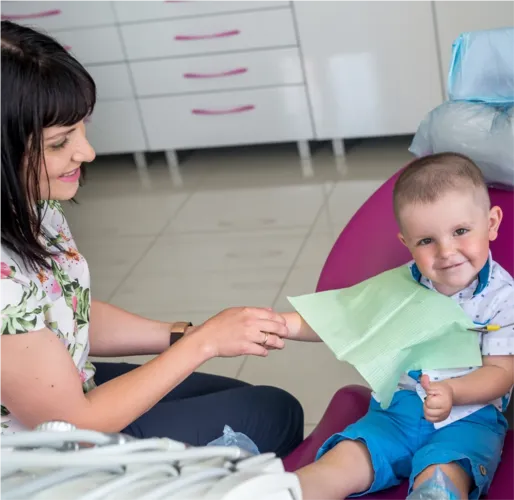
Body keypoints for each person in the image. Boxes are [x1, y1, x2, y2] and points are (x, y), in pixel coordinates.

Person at [0, 21, 303, 456]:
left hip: (68, 385)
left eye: (82, 128)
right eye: (59, 143)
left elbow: (66, 310)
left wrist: (181, 335)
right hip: (44, 451)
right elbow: (74, 425)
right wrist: (205, 343)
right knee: (276, 413)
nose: (87, 153)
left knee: (243, 397)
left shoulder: (30, 202)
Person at [280, 153, 514, 499]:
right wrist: (281, 325)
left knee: (441, 480)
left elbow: (502, 373)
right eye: (426, 241)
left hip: (468, 417)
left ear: (492, 223)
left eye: (461, 231)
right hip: (394, 413)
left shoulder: (502, 297)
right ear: (407, 243)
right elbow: (343, 319)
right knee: (339, 464)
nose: (447, 251)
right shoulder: (399, 285)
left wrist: (453, 392)